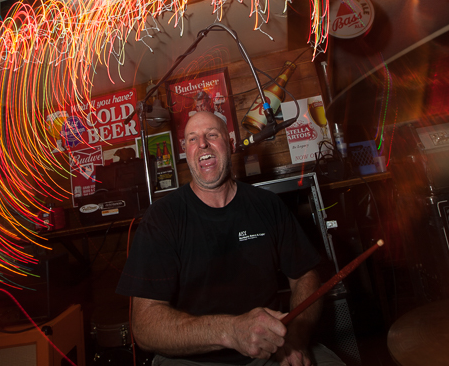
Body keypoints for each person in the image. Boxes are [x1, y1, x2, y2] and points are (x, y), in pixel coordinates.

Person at [116, 111, 345, 365]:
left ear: (231, 143)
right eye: (192, 139)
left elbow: (306, 275)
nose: (202, 143)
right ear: (185, 152)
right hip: (192, 360)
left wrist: (296, 334)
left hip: (271, 350)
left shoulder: (267, 205)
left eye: (212, 135)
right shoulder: (162, 218)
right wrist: (230, 331)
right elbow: (145, 327)